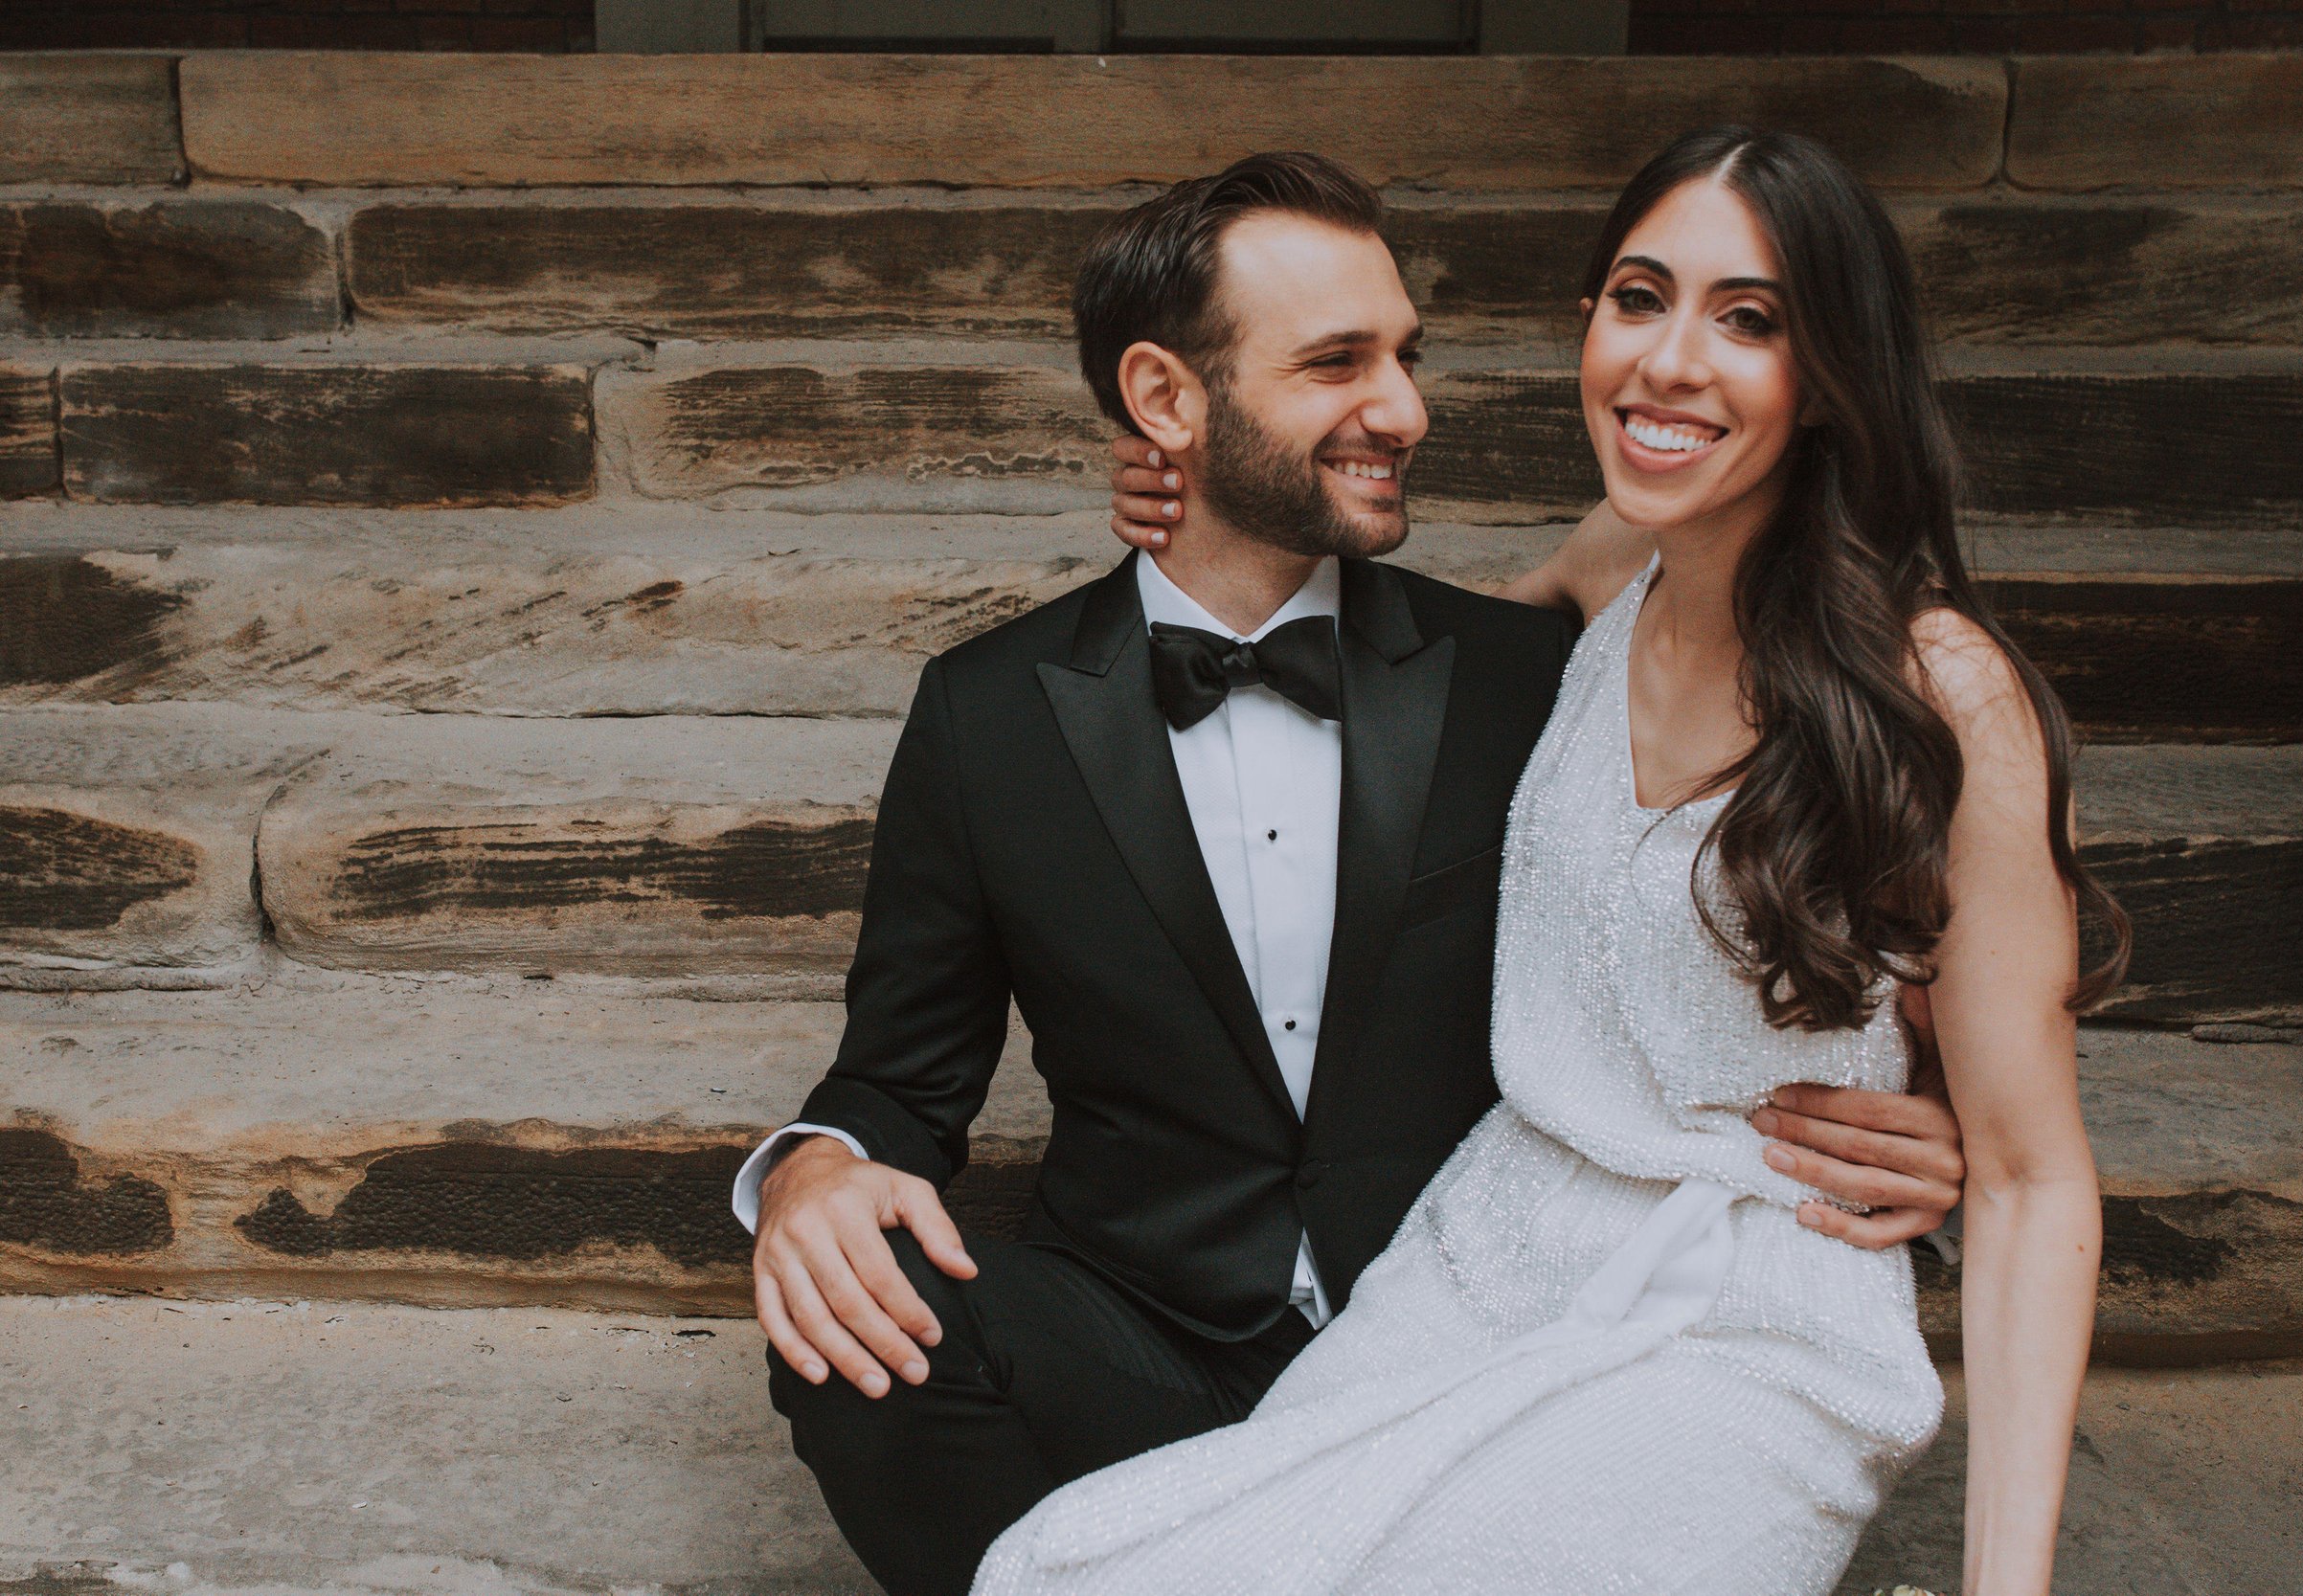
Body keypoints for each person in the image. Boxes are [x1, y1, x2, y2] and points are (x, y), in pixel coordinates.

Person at [734, 150, 1971, 1596]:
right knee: (859, 1332)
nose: (1407, 410)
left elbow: (1730, 904)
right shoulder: (988, 714)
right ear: (1165, 400)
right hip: (1147, 1330)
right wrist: (819, 1168)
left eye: (1404, 356)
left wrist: (1932, 1122)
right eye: (1338, 362)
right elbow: (899, 1077)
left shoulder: (1533, 676)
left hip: (1477, 1336)